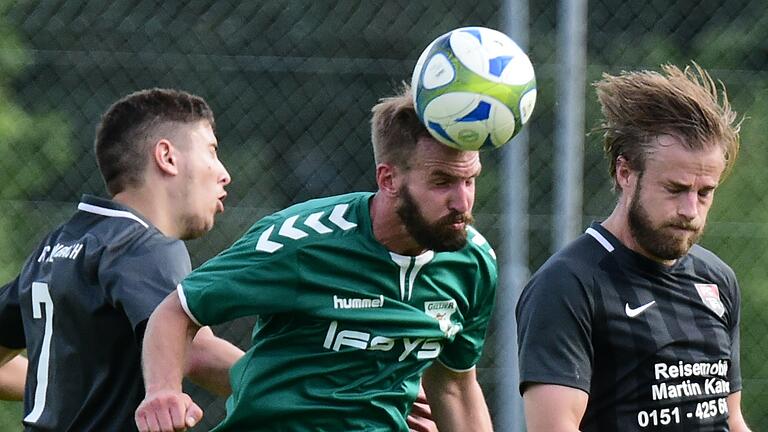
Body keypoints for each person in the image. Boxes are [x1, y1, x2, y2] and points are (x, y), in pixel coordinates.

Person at [135, 85, 498, 432]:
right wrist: (163, 392)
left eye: (470, 181)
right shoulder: (301, 240)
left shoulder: (472, 262)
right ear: (388, 180)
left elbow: (453, 385)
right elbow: (177, 312)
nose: (462, 202)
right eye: (442, 182)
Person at [516, 63, 751, 431]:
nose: (690, 210)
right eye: (675, 189)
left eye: (705, 193)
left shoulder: (718, 280)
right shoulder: (568, 284)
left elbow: (730, 418)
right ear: (625, 172)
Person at [0, 88, 243, 431]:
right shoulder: (142, 245)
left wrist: (62, 388)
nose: (224, 173)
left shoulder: (54, 247)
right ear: (167, 157)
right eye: (212, 151)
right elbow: (194, 352)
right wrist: (307, 391)